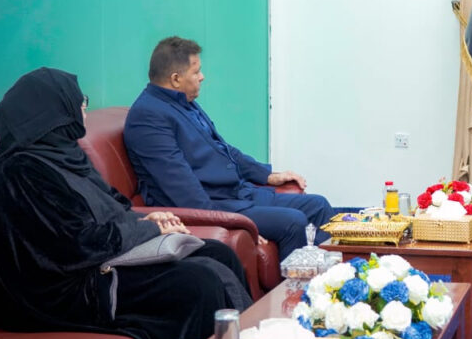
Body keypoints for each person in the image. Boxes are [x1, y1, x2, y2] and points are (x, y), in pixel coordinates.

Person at [0, 68, 251, 339]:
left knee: (218, 253)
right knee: (197, 282)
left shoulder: (65, 155)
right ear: (52, 111)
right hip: (69, 291)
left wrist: (146, 219)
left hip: (102, 263)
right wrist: (147, 229)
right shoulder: (20, 174)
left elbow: (113, 205)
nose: (83, 108)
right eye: (78, 101)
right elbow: (76, 245)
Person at [123, 36, 332, 260]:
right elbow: (182, 189)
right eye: (196, 72)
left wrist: (268, 175)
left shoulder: (183, 102)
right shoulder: (148, 116)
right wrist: (233, 223)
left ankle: (337, 275)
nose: (202, 77)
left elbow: (223, 149)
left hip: (237, 193)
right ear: (175, 79)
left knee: (318, 205)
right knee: (293, 221)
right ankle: (298, 282)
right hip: (216, 204)